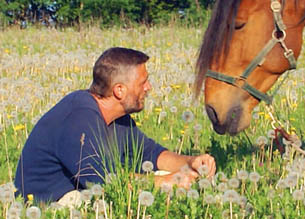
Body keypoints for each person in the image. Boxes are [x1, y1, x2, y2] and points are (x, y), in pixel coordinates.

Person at [14, 47, 216, 204]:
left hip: (84, 194)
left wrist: (190, 163)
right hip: (50, 204)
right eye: (143, 82)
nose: (149, 88)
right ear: (119, 90)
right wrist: (165, 182)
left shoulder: (119, 119)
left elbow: (151, 155)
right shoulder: (79, 118)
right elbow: (103, 183)